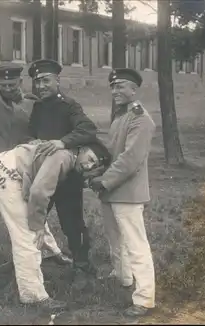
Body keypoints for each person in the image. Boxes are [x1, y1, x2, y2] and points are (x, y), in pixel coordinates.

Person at [0, 43, 72, 281]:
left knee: (29, 208)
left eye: (12, 85)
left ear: (20, 83)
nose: (8, 88)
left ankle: (52, 251)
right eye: (4, 85)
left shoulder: (33, 103)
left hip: (21, 166)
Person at [0, 138, 110, 310]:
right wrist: (37, 226)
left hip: (7, 166)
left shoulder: (65, 155)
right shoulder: (64, 158)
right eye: (90, 159)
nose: (89, 166)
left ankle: (50, 253)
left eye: (94, 166)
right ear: (81, 149)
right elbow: (39, 193)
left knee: (33, 219)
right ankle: (33, 296)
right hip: (7, 174)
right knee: (28, 236)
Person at [86, 68, 156, 317]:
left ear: (134, 90)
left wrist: (104, 182)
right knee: (117, 241)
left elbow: (130, 160)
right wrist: (96, 173)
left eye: (121, 86)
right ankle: (124, 279)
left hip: (127, 192)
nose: (115, 91)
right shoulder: (120, 117)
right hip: (112, 190)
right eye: (113, 87)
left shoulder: (140, 118)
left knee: (136, 245)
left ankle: (145, 298)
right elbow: (113, 155)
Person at [26, 59, 100, 274]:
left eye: (45, 81)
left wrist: (62, 142)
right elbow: (32, 131)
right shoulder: (38, 107)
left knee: (72, 223)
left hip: (67, 178)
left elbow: (88, 129)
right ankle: (27, 266)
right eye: (37, 82)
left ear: (57, 80)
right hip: (42, 175)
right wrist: (32, 141)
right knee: (31, 218)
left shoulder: (69, 105)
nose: (41, 86)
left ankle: (82, 266)